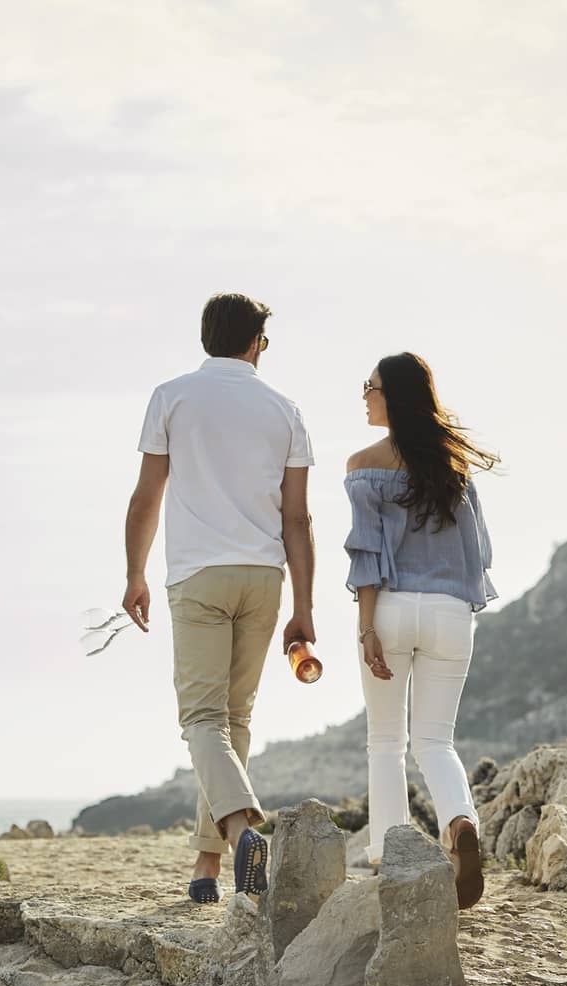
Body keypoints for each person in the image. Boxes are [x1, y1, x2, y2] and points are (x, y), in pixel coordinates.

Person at [122, 292, 316, 904]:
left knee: (202, 720)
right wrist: (304, 608)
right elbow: (299, 519)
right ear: (256, 341)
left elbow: (146, 495)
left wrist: (135, 574)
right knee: (233, 722)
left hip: (199, 576)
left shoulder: (172, 396)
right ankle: (206, 870)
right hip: (264, 578)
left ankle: (238, 832)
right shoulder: (285, 410)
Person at [345, 352, 498, 909]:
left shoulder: (364, 466)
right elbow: (477, 553)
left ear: (396, 396)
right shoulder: (453, 466)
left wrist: (367, 629)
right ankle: (459, 823)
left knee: (386, 742)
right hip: (451, 613)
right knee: (436, 740)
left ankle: (393, 860)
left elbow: (368, 557)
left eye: (372, 386)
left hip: (390, 607)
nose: (364, 395)